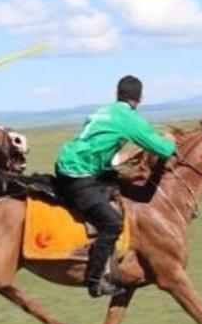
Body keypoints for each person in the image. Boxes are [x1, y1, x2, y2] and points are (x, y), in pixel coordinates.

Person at [55, 75, 176, 298]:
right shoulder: (128, 119)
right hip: (79, 176)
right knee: (112, 223)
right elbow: (165, 150)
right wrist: (171, 139)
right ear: (140, 97)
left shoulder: (105, 110)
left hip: (69, 165)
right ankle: (95, 280)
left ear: (117, 94)